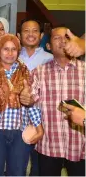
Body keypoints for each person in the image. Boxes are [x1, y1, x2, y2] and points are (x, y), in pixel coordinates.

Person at [0, 34, 44, 176]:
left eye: (14, 49)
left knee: (18, 173)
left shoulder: (26, 74)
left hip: (19, 132)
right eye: (5, 49)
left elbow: (32, 103)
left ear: (18, 52)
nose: (10, 53)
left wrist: (39, 129)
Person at [30, 27, 85, 176]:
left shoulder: (85, 70)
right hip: (49, 144)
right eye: (57, 38)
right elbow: (31, 102)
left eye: (66, 37)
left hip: (80, 145)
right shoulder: (38, 72)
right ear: (48, 46)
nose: (62, 41)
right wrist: (26, 98)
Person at [17, 19, 53, 175]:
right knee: (17, 164)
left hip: (43, 120)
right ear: (18, 35)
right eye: (26, 31)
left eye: (35, 31)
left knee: (38, 166)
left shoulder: (50, 59)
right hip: (16, 120)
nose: (30, 34)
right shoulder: (12, 56)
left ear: (41, 35)